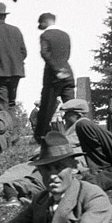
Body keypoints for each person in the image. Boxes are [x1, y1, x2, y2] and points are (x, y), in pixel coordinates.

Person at [0, 98, 89, 204]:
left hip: (63, 164)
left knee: (24, 177)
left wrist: (41, 152)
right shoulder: (74, 127)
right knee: (15, 171)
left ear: (77, 115)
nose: (64, 117)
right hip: (51, 161)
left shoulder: (83, 125)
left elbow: (64, 145)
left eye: (67, 114)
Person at [33, 12, 75, 141]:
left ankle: (41, 135)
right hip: (68, 73)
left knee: (47, 106)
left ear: (44, 22)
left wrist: (56, 69)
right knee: (72, 106)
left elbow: (45, 53)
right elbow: (67, 54)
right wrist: (63, 68)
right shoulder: (65, 35)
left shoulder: (45, 35)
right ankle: (76, 131)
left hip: (53, 77)